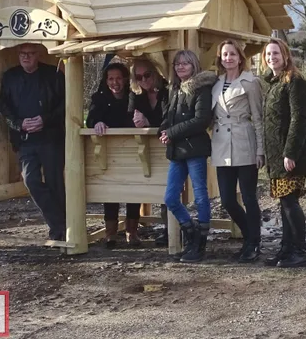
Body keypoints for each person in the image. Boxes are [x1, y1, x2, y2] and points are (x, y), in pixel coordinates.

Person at [0, 43, 66, 242]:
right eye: (22, 54)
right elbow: (4, 107)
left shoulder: (53, 74)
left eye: (30, 54)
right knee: (31, 180)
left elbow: (65, 103)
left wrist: (45, 119)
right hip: (26, 140)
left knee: (55, 183)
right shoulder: (10, 77)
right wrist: (19, 124)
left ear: (38, 55)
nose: (26, 57)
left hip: (51, 138)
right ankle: (59, 222)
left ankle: (60, 231)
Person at [261, 39, 306, 268]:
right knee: (284, 203)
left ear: (285, 55)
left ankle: (299, 252)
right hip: (277, 155)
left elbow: (299, 119)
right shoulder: (274, 82)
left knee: (290, 202)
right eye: (268, 54)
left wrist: (290, 153)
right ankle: (286, 249)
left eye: (275, 53)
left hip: (291, 155)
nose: (271, 57)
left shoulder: (295, 82)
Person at [210, 40, 264, 263]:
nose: (228, 58)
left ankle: (253, 243)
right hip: (222, 144)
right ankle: (250, 235)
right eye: (225, 54)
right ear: (220, 58)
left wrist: (261, 150)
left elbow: (258, 118)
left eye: (233, 54)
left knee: (249, 197)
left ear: (240, 57)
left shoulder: (250, 82)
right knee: (228, 200)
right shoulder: (215, 83)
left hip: (244, 142)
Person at [160, 50, 216, 263]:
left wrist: (172, 133)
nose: (181, 67)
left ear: (194, 65)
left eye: (185, 63)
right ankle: (190, 232)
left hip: (195, 149)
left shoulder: (202, 89)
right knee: (170, 198)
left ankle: (200, 242)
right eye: (177, 64)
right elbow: (168, 117)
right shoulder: (174, 89)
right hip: (177, 151)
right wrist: (163, 131)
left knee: (201, 196)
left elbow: (201, 120)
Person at [86, 62, 139, 248]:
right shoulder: (99, 97)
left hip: (133, 150)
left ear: (125, 79)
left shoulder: (135, 96)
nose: (114, 82)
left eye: (118, 78)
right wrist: (97, 122)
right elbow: (90, 118)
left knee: (134, 191)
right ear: (105, 80)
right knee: (110, 192)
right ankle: (110, 235)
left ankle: (132, 232)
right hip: (109, 152)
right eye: (110, 78)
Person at [128, 59, 170, 247]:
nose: (143, 80)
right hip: (146, 149)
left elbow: (169, 118)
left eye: (147, 75)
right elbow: (128, 116)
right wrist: (136, 122)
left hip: (167, 146)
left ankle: (172, 231)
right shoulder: (136, 95)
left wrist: (148, 122)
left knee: (168, 192)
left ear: (155, 73)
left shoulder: (168, 90)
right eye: (138, 77)